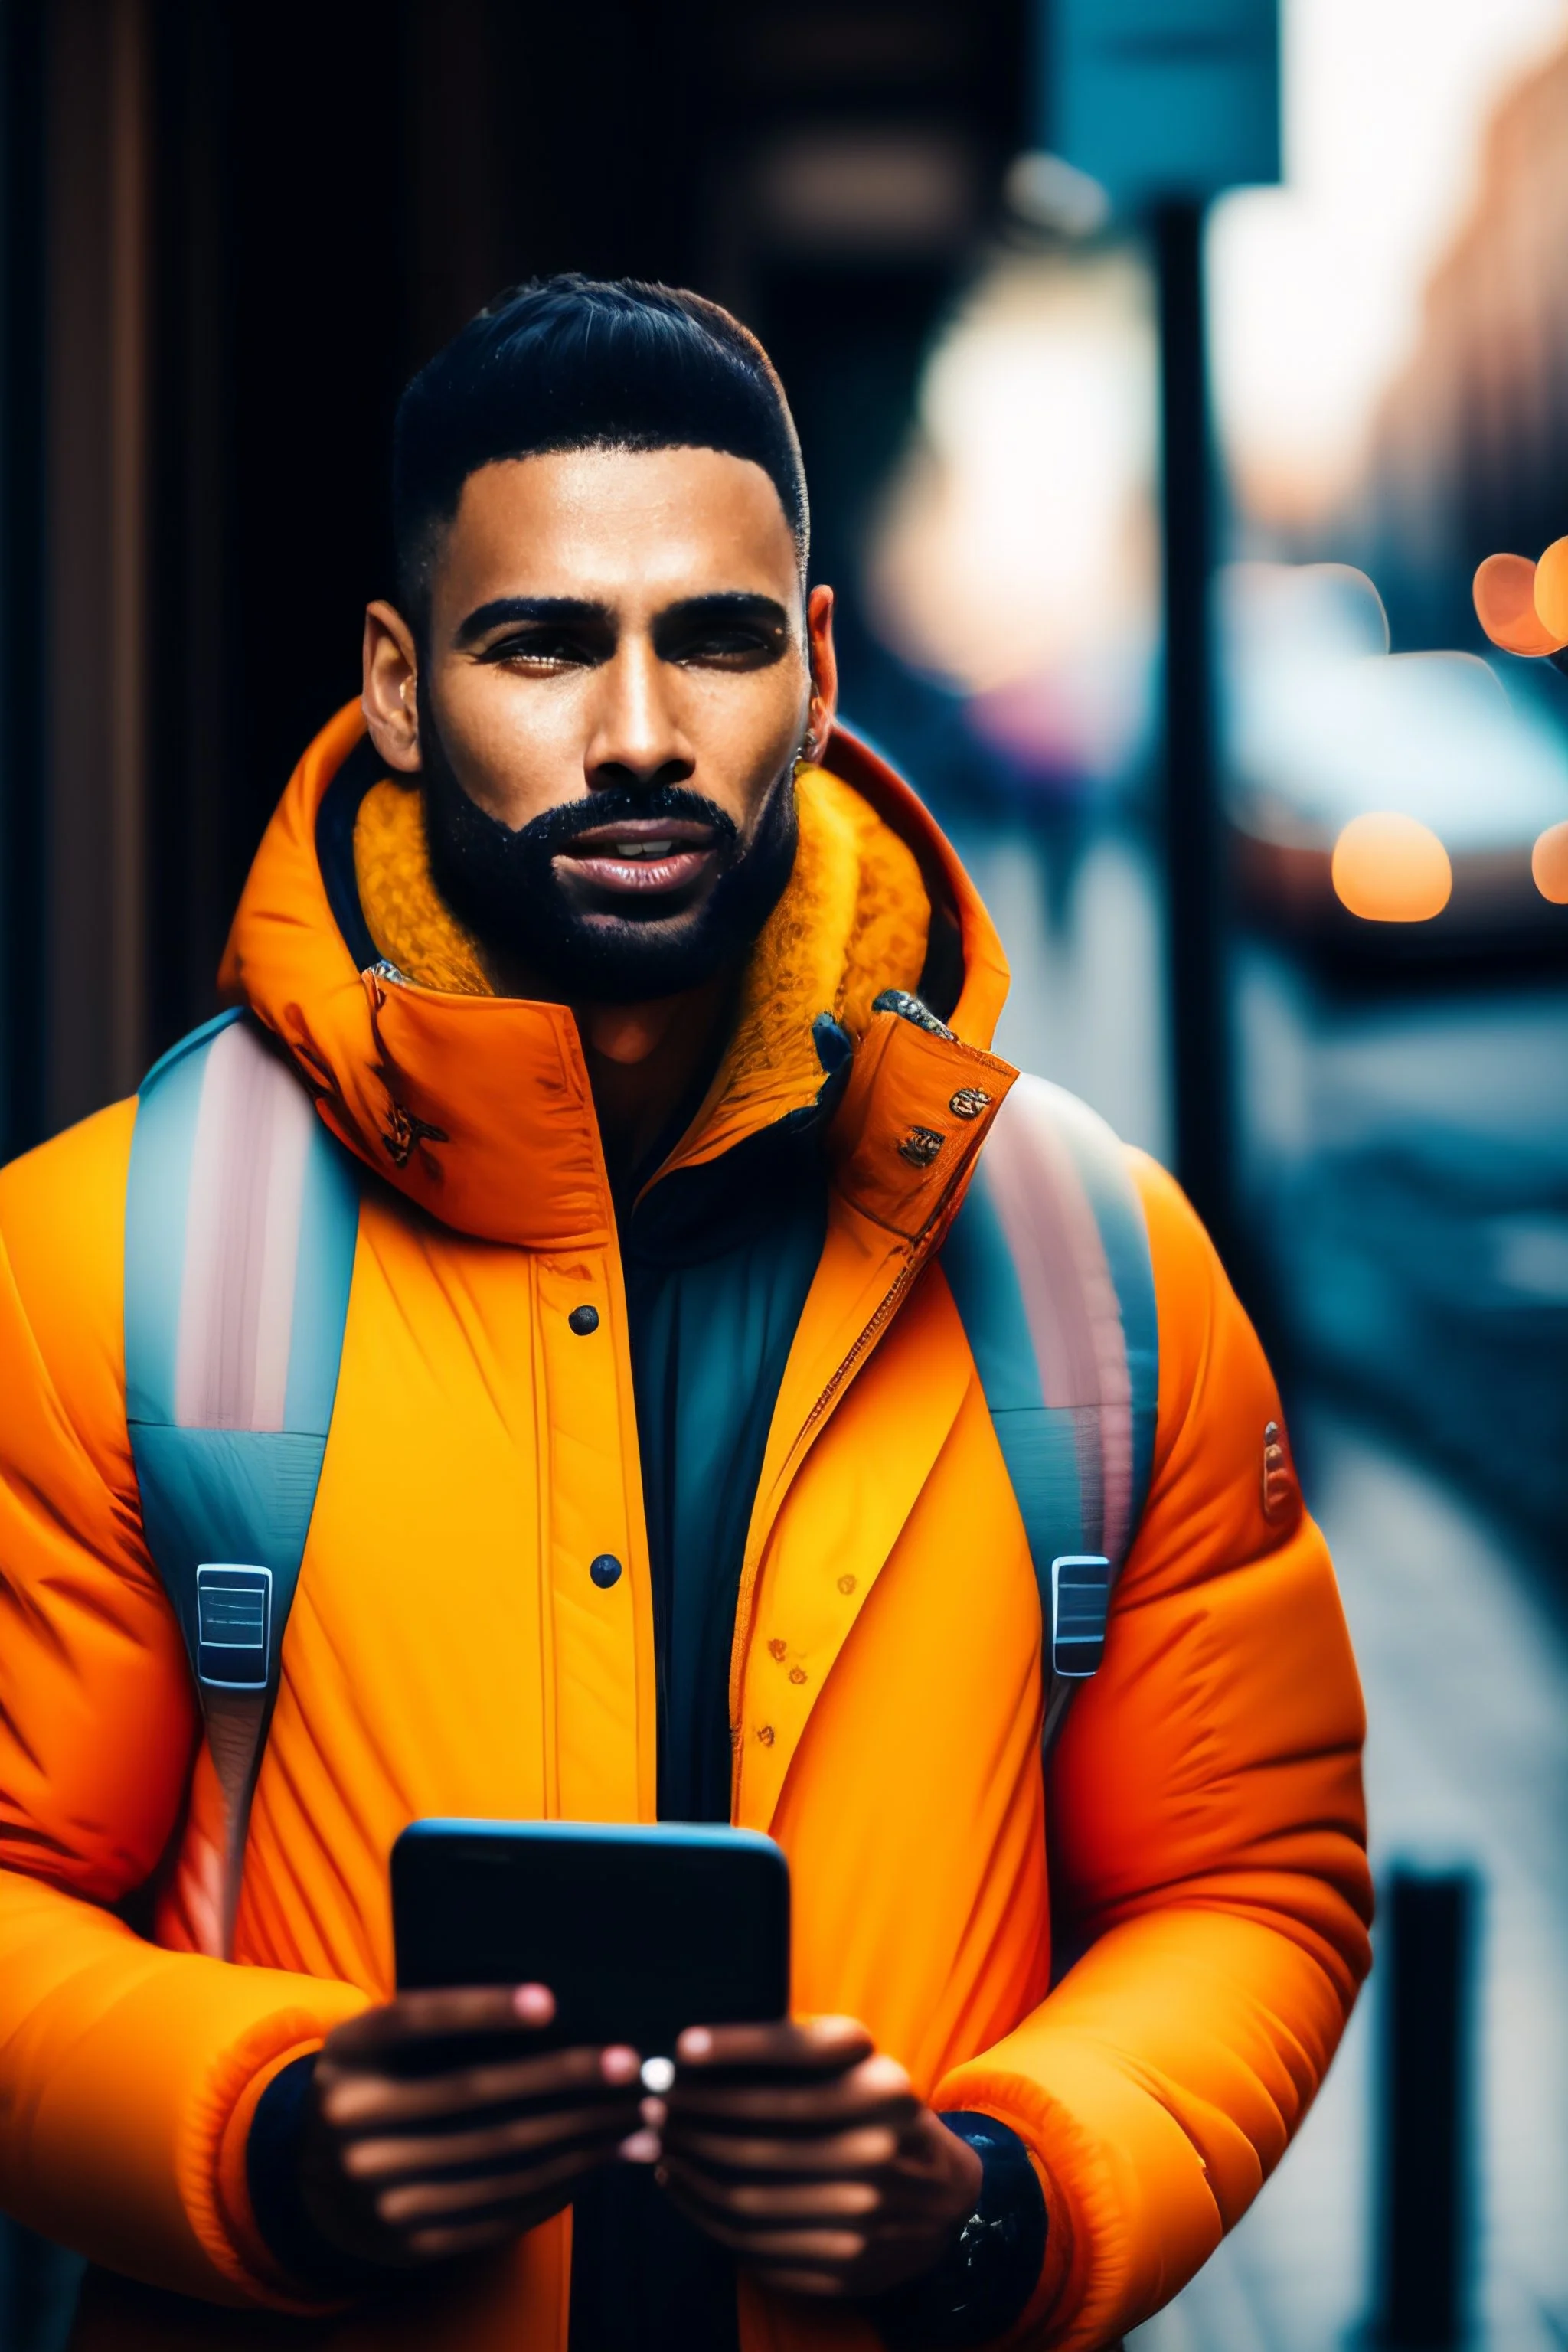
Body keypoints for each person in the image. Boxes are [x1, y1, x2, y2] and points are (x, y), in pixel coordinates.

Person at [0, 276, 1370, 2351]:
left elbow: (1254, 1877)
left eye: (714, 638)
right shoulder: (103, 1257)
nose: (637, 732)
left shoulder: (1098, 1266)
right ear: (394, 683)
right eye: (540, 641)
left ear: (816, 671)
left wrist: (991, 2200)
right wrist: (263, 2133)